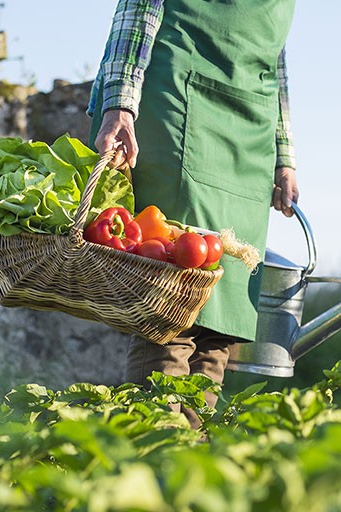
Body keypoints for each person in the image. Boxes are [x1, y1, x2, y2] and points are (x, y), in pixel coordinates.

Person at [87, 0, 299, 428]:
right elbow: (138, 8)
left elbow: (273, 52)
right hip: (180, 102)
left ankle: (191, 468)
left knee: (222, 326)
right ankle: (155, 456)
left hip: (250, 130)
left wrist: (284, 154)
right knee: (170, 309)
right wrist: (121, 105)